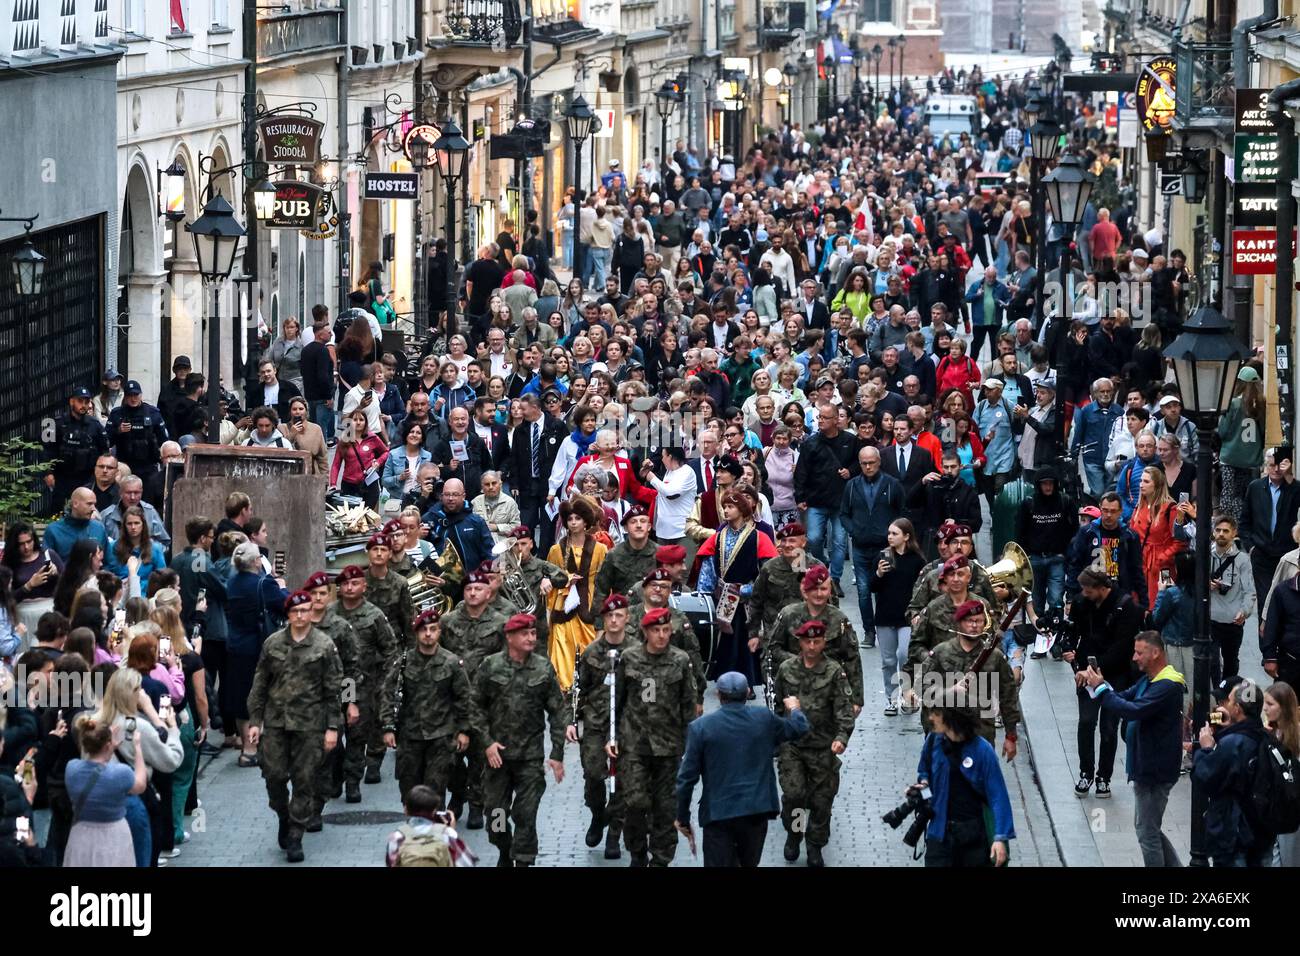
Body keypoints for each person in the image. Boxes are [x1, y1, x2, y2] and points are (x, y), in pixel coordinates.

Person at [244, 590, 343, 862]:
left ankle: (296, 834)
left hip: (310, 725)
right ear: (288, 614)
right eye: (295, 611)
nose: (300, 616)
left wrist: (333, 728)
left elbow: (334, 690)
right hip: (276, 723)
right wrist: (255, 721)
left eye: (305, 610)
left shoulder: (324, 646)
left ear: (312, 612)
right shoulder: (272, 644)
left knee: (304, 779)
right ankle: (283, 815)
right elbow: (260, 684)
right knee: (273, 776)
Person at [674, 671, 809, 867]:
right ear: (747, 693)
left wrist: (683, 817)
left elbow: (686, 779)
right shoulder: (764, 718)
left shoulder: (701, 728)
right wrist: (795, 709)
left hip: (718, 814)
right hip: (755, 810)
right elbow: (799, 729)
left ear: (719, 695)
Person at [470, 612, 570, 867]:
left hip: (529, 758)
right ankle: (504, 848)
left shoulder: (542, 667)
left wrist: (557, 753)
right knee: (496, 815)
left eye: (534, 633)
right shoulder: (490, 666)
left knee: (526, 814)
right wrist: (487, 742)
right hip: (497, 758)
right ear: (509, 637)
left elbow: (557, 710)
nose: (531, 638)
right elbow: (474, 708)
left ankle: (524, 860)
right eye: (524, 633)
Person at [1083, 630, 1186, 867]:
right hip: (1145, 766)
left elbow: (1134, 710)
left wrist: (1101, 689)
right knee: (1149, 828)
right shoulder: (1148, 681)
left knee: (1146, 832)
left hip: (1155, 769)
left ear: (1156, 652)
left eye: (1140, 653)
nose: (1134, 657)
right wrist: (1098, 684)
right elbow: (1122, 697)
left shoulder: (1167, 686)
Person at [608, 606, 697, 867]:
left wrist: (691, 748)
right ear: (645, 632)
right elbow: (617, 700)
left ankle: (660, 860)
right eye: (656, 630)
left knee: (665, 808)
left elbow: (687, 705)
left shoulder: (680, 660)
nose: (662, 635)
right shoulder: (629, 658)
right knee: (635, 803)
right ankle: (637, 852)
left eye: (666, 630)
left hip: (669, 747)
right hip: (634, 744)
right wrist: (610, 737)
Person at [770, 620, 856, 867]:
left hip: (823, 747)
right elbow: (777, 706)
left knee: (821, 801)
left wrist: (841, 738)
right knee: (794, 795)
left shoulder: (833, 672)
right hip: (793, 747)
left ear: (823, 643)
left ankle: (815, 845)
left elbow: (844, 710)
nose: (811, 646)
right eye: (807, 641)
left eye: (817, 641)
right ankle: (795, 834)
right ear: (800, 642)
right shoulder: (786, 669)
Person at [379, 608, 471, 808]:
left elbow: (463, 698)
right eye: (423, 630)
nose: (428, 634)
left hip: (441, 736)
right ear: (416, 633)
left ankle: (435, 834)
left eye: (433, 629)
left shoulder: (452, 662)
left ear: (439, 632)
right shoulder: (404, 662)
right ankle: (414, 832)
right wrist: (388, 727)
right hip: (410, 736)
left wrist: (463, 731)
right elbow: (388, 694)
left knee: (435, 788)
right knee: (409, 790)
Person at [915, 694, 1015, 867]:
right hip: (939, 836)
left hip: (973, 839)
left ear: (951, 718)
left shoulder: (982, 751)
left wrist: (1000, 838)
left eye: (936, 713)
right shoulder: (933, 741)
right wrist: (922, 789)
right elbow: (924, 772)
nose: (931, 718)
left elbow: (998, 796)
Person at [1189, 677, 1273, 867]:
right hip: (1261, 833)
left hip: (1234, 835)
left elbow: (1204, 777)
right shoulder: (1264, 737)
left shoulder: (1233, 744)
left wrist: (1206, 749)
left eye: (1230, 701)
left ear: (1238, 709)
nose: (1225, 706)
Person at [62, 714, 148, 867]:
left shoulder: (71, 769)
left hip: (80, 835)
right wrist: (137, 747)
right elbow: (140, 785)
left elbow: (92, 757)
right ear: (108, 745)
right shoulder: (120, 773)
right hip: (113, 835)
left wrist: (107, 746)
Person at [841, 445, 905, 647]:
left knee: (884, 588)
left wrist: (893, 534)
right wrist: (854, 530)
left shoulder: (892, 484)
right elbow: (844, 513)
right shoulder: (852, 486)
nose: (868, 467)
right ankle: (869, 631)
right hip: (860, 546)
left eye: (871, 463)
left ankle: (886, 627)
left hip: (885, 547)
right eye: (864, 463)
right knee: (863, 590)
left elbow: (902, 513)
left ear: (879, 462)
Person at [794, 403, 861, 596]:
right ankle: (821, 569)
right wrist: (800, 497)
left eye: (824, 418)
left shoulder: (850, 440)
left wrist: (851, 471)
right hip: (816, 500)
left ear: (835, 420)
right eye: (819, 418)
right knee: (814, 538)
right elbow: (801, 472)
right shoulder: (811, 443)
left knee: (839, 541)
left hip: (841, 502)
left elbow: (859, 462)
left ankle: (836, 578)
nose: (820, 421)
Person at [871, 519, 927, 714]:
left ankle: (907, 694)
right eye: (889, 533)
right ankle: (891, 698)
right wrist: (878, 573)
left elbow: (922, 588)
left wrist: (918, 613)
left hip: (906, 616)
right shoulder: (883, 556)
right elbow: (872, 587)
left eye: (895, 533)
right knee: (887, 661)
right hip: (885, 615)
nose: (890, 537)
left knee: (904, 655)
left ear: (906, 536)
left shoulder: (917, 560)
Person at [1242, 448, 1300, 624]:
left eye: (1279, 465)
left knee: (1287, 598)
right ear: (1265, 466)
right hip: (1262, 553)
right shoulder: (1256, 487)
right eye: (1272, 465)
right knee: (1265, 599)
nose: (1276, 470)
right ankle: (1266, 644)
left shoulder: (1292, 488)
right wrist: (1250, 547)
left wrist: (1289, 477)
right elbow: (1245, 521)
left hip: (1286, 554)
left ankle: (1282, 642)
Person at [1208, 514, 1255, 684]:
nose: (1221, 534)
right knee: (1211, 662)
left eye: (1226, 531)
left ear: (1234, 533)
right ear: (1213, 532)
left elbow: (1249, 591)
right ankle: (1214, 695)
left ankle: (1226, 695)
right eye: (1218, 530)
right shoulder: (1206, 555)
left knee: (1231, 662)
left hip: (1232, 621)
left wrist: (1244, 611)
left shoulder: (1242, 560)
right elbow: (1194, 582)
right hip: (1210, 619)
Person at [1264, 681, 1300, 865]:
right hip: (1275, 809)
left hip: (1292, 812)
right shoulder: (1271, 733)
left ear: (1284, 707)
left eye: (1270, 704)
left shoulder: (1296, 738)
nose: (1265, 709)